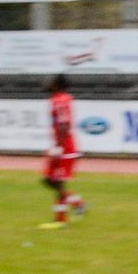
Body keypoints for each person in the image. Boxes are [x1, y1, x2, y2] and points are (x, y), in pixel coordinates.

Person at [39, 75, 87, 228]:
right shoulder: (60, 99)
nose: (47, 83)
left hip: (65, 148)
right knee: (49, 180)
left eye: (50, 81)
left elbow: (64, 124)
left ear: (57, 85)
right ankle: (77, 202)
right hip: (61, 145)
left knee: (58, 182)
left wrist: (59, 146)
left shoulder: (60, 100)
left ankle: (61, 219)